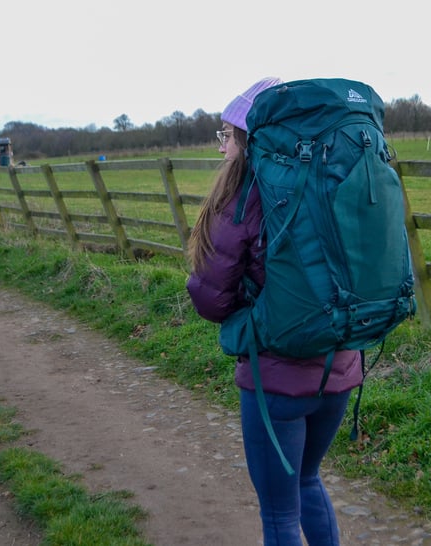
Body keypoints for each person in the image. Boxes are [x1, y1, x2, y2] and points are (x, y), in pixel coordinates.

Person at [186, 77, 364, 546]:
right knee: (308, 481)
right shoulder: (333, 181)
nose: (222, 149)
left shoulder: (245, 196)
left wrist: (249, 313)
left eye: (226, 136)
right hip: (341, 368)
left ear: (248, 140)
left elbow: (211, 297)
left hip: (278, 378)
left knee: (280, 515)